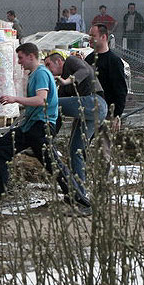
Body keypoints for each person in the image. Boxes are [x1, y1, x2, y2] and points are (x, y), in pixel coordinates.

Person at [0, 43, 91, 215]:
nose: (19, 62)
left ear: (31, 56)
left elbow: (41, 100)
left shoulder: (41, 73)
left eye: (21, 58)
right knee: (1, 147)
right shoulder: (36, 74)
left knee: (54, 165)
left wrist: (15, 99)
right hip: (32, 125)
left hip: (41, 126)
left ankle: (82, 202)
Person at [44, 51, 107, 188]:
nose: (47, 69)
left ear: (59, 62)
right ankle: (79, 190)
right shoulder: (62, 89)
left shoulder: (71, 61)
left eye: (49, 65)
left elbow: (84, 70)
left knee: (54, 103)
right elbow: (57, 115)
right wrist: (50, 137)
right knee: (75, 149)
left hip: (95, 102)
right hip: (90, 113)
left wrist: (67, 81)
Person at [85, 24, 128, 132]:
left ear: (103, 37)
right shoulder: (89, 59)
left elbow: (121, 90)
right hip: (88, 110)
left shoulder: (114, 61)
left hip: (107, 113)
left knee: (104, 146)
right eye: (89, 35)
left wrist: (117, 114)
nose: (90, 39)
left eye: (93, 36)